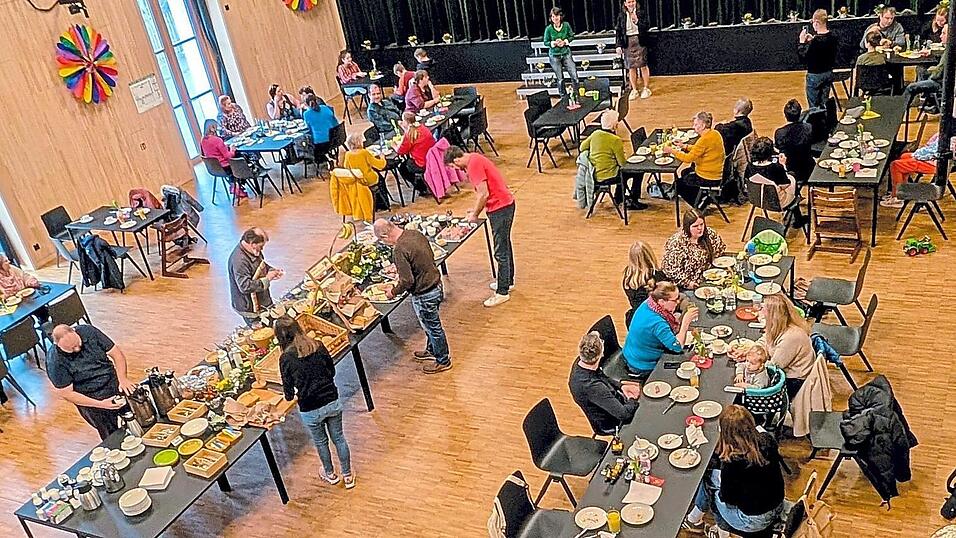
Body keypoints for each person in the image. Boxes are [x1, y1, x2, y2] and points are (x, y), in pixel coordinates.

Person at [275, 315, 354, 488]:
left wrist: (291, 396)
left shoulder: (286, 359)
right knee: (339, 438)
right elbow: (331, 370)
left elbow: (287, 389)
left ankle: (330, 474)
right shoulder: (317, 344)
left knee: (321, 442)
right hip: (331, 400)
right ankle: (347, 475)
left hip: (309, 408)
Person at [683, 405, 785, 537]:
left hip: (752, 520)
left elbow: (728, 499)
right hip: (777, 505)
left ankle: (720, 532)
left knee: (711, 485)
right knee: (713, 479)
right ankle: (694, 519)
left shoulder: (733, 463)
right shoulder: (767, 439)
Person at [373, 219, 451, 374]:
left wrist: (393, 292)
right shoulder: (414, 233)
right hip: (436, 284)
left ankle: (443, 360)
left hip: (424, 293)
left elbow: (407, 281)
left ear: (385, 236)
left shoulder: (399, 249)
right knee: (429, 324)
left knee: (433, 327)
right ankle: (432, 349)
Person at [445, 146, 516, 307]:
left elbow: (484, 193)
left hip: (500, 208)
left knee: (500, 250)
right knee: (505, 245)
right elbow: (481, 193)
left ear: (455, 160)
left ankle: (502, 292)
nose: (455, 170)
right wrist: (475, 209)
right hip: (504, 205)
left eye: (452, 167)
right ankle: (507, 281)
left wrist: (475, 214)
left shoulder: (473, 165)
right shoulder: (475, 158)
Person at [45, 324, 136, 440]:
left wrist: (123, 379)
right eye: (71, 349)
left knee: (136, 417)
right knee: (114, 437)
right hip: (91, 398)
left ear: (74, 331)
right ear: (57, 345)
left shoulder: (89, 331)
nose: (76, 349)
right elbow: (67, 394)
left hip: (113, 382)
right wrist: (101, 404)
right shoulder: (55, 361)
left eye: (77, 344)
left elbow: (116, 354)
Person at [622, 281, 699, 379]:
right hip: (641, 365)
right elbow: (677, 346)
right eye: (675, 300)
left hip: (633, 354)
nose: (678, 302)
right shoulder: (657, 323)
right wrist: (685, 323)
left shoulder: (649, 303)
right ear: (662, 302)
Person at [569, 331, 641, 434]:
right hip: (614, 422)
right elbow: (624, 415)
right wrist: (632, 399)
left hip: (615, 402)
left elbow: (601, 376)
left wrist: (621, 386)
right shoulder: (593, 387)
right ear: (601, 354)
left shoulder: (582, 363)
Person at [664, 111, 725, 208]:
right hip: (717, 172)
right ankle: (700, 196)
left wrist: (672, 151)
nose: (693, 127)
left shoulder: (703, 140)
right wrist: (685, 146)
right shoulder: (714, 134)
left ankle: (699, 205)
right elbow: (700, 149)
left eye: (696, 124)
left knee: (678, 184)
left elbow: (688, 158)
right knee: (685, 172)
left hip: (709, 176)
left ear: (703, 125)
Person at [759, 293, 814, 399]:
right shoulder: (779, 326)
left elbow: (774, 366)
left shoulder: (791, 337)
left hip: (794, 380)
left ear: (772, 315)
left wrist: (753, 360)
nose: (761, 312)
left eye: (763, 309)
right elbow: (765, 340)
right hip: (788, 371)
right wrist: (753, 350)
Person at [580, 111, 638, 209]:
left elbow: (582, 148)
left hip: (594, 174)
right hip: (609, 176)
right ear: (615, 125)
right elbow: (622, 164)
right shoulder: (615, 140)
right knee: (636, 172)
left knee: (622, 173)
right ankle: (632, 198)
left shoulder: (595, 134)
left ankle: (619, 197)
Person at [228, 227, 283, 325]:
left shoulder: (253, 250)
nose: (262, 249)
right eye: (261, 246)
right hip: (250, 307)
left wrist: (271, 270)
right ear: (252, 244)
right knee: (263, 332)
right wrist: (268, 279)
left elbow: (260, 265)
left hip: (263, 300)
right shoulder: (239, 261)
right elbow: (245, 286)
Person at [661, 209, 727, 289]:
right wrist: (687, 283)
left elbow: (720, 250)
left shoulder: (709, 234)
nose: (700, 228)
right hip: (686, 285)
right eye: (695, 226)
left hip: (709, 277)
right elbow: (671, 270)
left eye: (702, 224)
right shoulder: (677, 243)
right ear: (687, 227)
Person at [882, 131, 948, 208]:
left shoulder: (951, 137)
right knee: (904, 156)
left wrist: (920, 155)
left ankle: (896, 198)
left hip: (935, 163)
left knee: (895, 165)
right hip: (934, 158)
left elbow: (937, 152)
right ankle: (901, 190)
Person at [798, 10, 838, 110]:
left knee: (813, 107)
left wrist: (801, 43)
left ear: (816, 22)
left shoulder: (815, 42)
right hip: (828, 73)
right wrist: (812, 40)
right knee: (824, 103)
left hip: (814, 75)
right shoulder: (833, 37)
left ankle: (815, 124)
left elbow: (803, 58)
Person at [903, 24, 948, 113]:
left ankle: (901, 112)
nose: (940, 36)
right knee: (921, 70)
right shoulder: (949, 49)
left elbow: (938, 73)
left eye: (943, 33)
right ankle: (927, 99)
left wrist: (931, 75)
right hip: (944, 80)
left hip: (941, 83)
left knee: (910, 87)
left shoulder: (949, 52)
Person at [200, 119, 248, 200]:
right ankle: (236, 185)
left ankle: (234, 184)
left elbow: (204, 154)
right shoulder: (217, 140)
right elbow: (228, 156)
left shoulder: (202, 140)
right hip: (226, 167)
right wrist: (232, 150)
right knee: (242, 159)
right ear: (212, 128)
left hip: (214, 168)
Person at [341, 132, 387, 215]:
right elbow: (380, 166)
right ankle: (382, 205)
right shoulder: (364, 153)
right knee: (381, 179)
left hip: (357, 180)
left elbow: (346, 167)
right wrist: (382, 158)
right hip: (368, 179)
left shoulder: (348, 155)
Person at [746, 137, 798, 209]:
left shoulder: (749, 167)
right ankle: (796, 212)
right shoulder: (776, 167)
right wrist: (783, 165)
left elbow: (746, 184)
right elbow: (786, 185)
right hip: (777, 203)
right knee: (792, 175)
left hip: (757, 200)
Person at [614, 0, 652, 100]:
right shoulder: (621, 15)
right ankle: (634, 90)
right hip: (628, 42)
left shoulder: (641, 13)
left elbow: (647, 26)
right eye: (629, 2)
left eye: (633, 1)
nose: (631, 4)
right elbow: (618, 31)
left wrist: (637, 21)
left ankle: (646, 88)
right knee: (631, 67)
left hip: (640, 41)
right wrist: (618, 45)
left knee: (643, 65)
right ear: (625, 4)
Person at [622, 241, 667, 324]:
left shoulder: (627, 277)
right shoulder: (658, 276)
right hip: (657, 318)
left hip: (636, 318)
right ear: (650, 255)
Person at [773, 99, 814, 185]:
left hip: (791, 170)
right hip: (808, 169)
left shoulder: (780, 133)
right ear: (800, 113)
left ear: (785, 115)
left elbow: (779, 149)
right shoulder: (808, 127)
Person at [544, 7, 580, 101]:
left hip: (566, 53)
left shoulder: (566, 25)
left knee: (574, 76)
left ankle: (577, 95)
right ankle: (563, 97)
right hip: (554, 56)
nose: (555, 18)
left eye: (557, 15)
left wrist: (565, 42)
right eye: (553, 16)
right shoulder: (548, 29)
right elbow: (545, 42)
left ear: (560, 16)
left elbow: (571, 36)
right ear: (551, 18)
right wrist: (554, 43)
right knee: (560, 79)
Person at [397, 110, 436, 194]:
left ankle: (421, 187)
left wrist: (394, 145)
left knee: (402, 168)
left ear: (406, 122)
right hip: (433, 159)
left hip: (421, 163)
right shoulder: (423, 128)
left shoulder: (410, 134)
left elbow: (401, 151)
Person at [302, 95, 340, 166]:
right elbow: (335, 122)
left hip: (321, 144)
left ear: (306, 104)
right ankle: (328, 157)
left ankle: (325, 159)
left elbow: (309, 129)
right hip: (335, 139)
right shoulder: (325, 107)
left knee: (306, 142)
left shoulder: (306, 114)